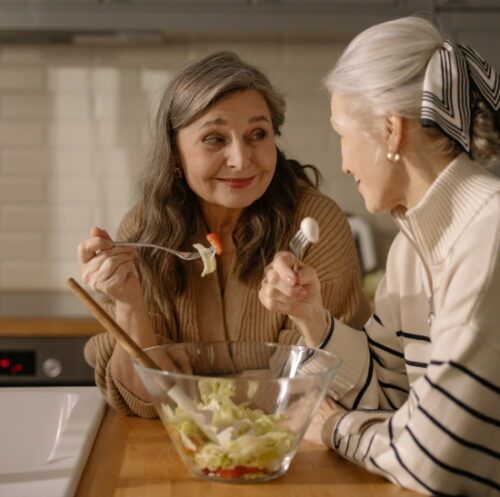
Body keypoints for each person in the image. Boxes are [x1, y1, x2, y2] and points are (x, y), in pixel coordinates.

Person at [259, 16, 500, 497]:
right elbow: (390, 394)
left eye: (343, 134)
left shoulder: (489, 238)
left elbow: (435, 458)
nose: (343, 162)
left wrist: (335, 429)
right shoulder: (413, 248)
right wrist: (311, 316)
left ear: (391, 131)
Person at [78, 51, 369, 418]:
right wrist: (128, 304)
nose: (241, 159)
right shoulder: (143, 232)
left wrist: (185, 381)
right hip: (175, 452)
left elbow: (317, 380)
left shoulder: (313, 224)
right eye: (215, 139)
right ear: (174, 153)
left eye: (257, 135)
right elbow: (146, 396)